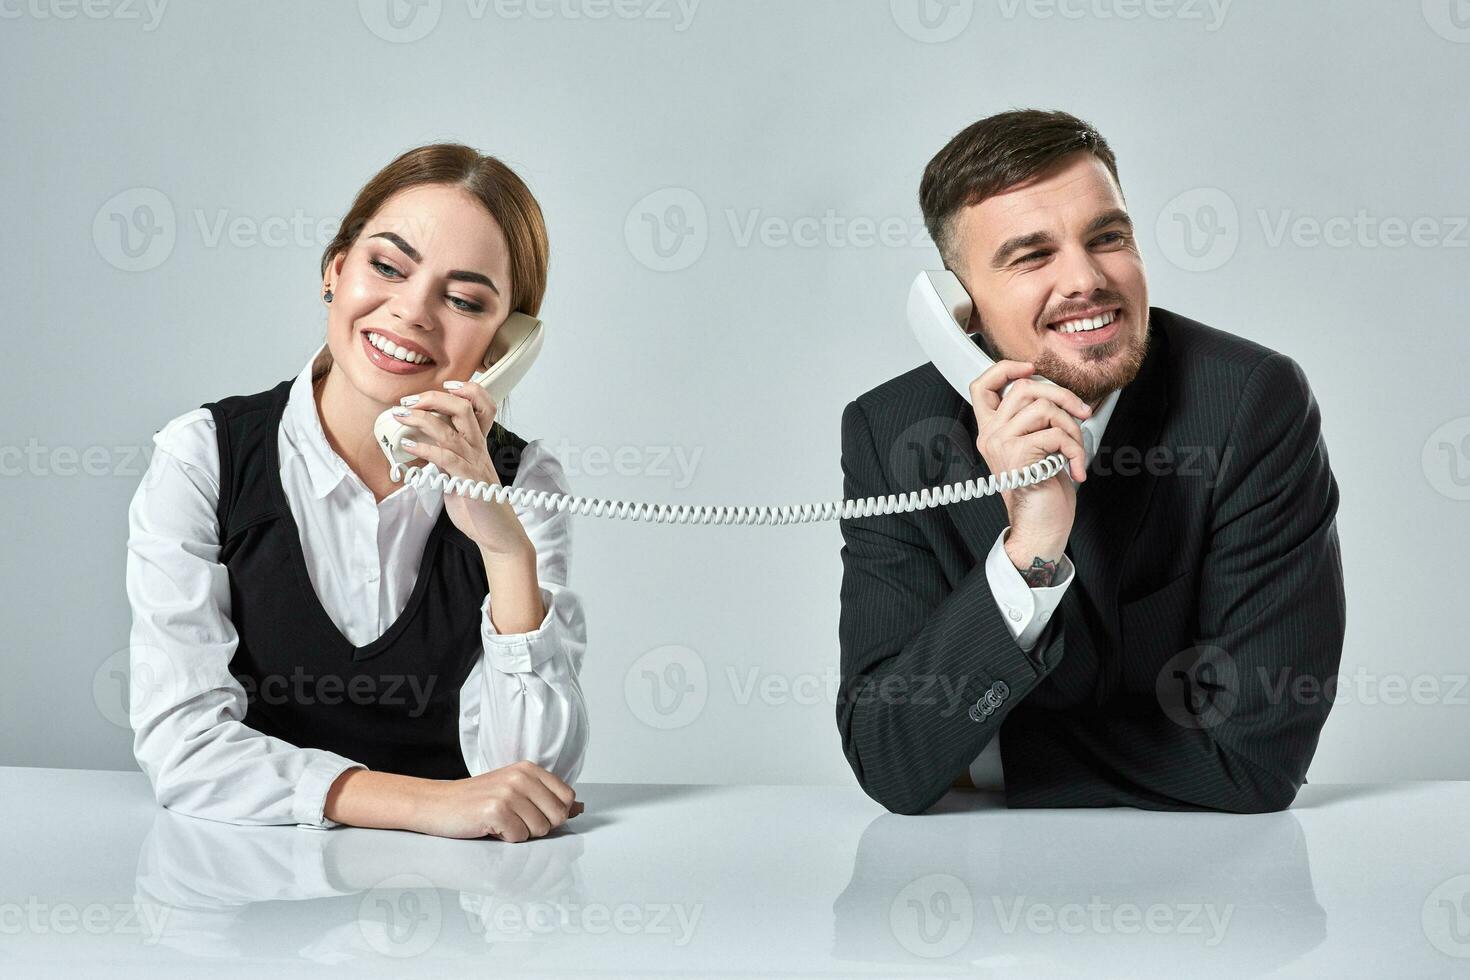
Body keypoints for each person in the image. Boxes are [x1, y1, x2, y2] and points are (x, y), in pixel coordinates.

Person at [837, 109, 1345, 814]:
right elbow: (889, 757)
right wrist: (1029, 550)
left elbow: (1254, 758)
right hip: (984, 890)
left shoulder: (1248, 405)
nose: (1086, 280)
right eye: (1032, 255)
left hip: (1211, 895)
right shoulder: (892, 435)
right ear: (960, 310)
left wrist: (986, 759)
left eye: (1107, 237)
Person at [126, 143, 587, 842]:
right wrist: (430, 805)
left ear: (502, 347)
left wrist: (505, 548)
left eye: (463, 299)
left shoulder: (523, 487)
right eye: (388, 267)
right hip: (242, 887)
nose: (413, 312)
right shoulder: (204, 458)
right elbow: (184, 746)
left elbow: (530, 785)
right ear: (334, 271)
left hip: (460, 909)